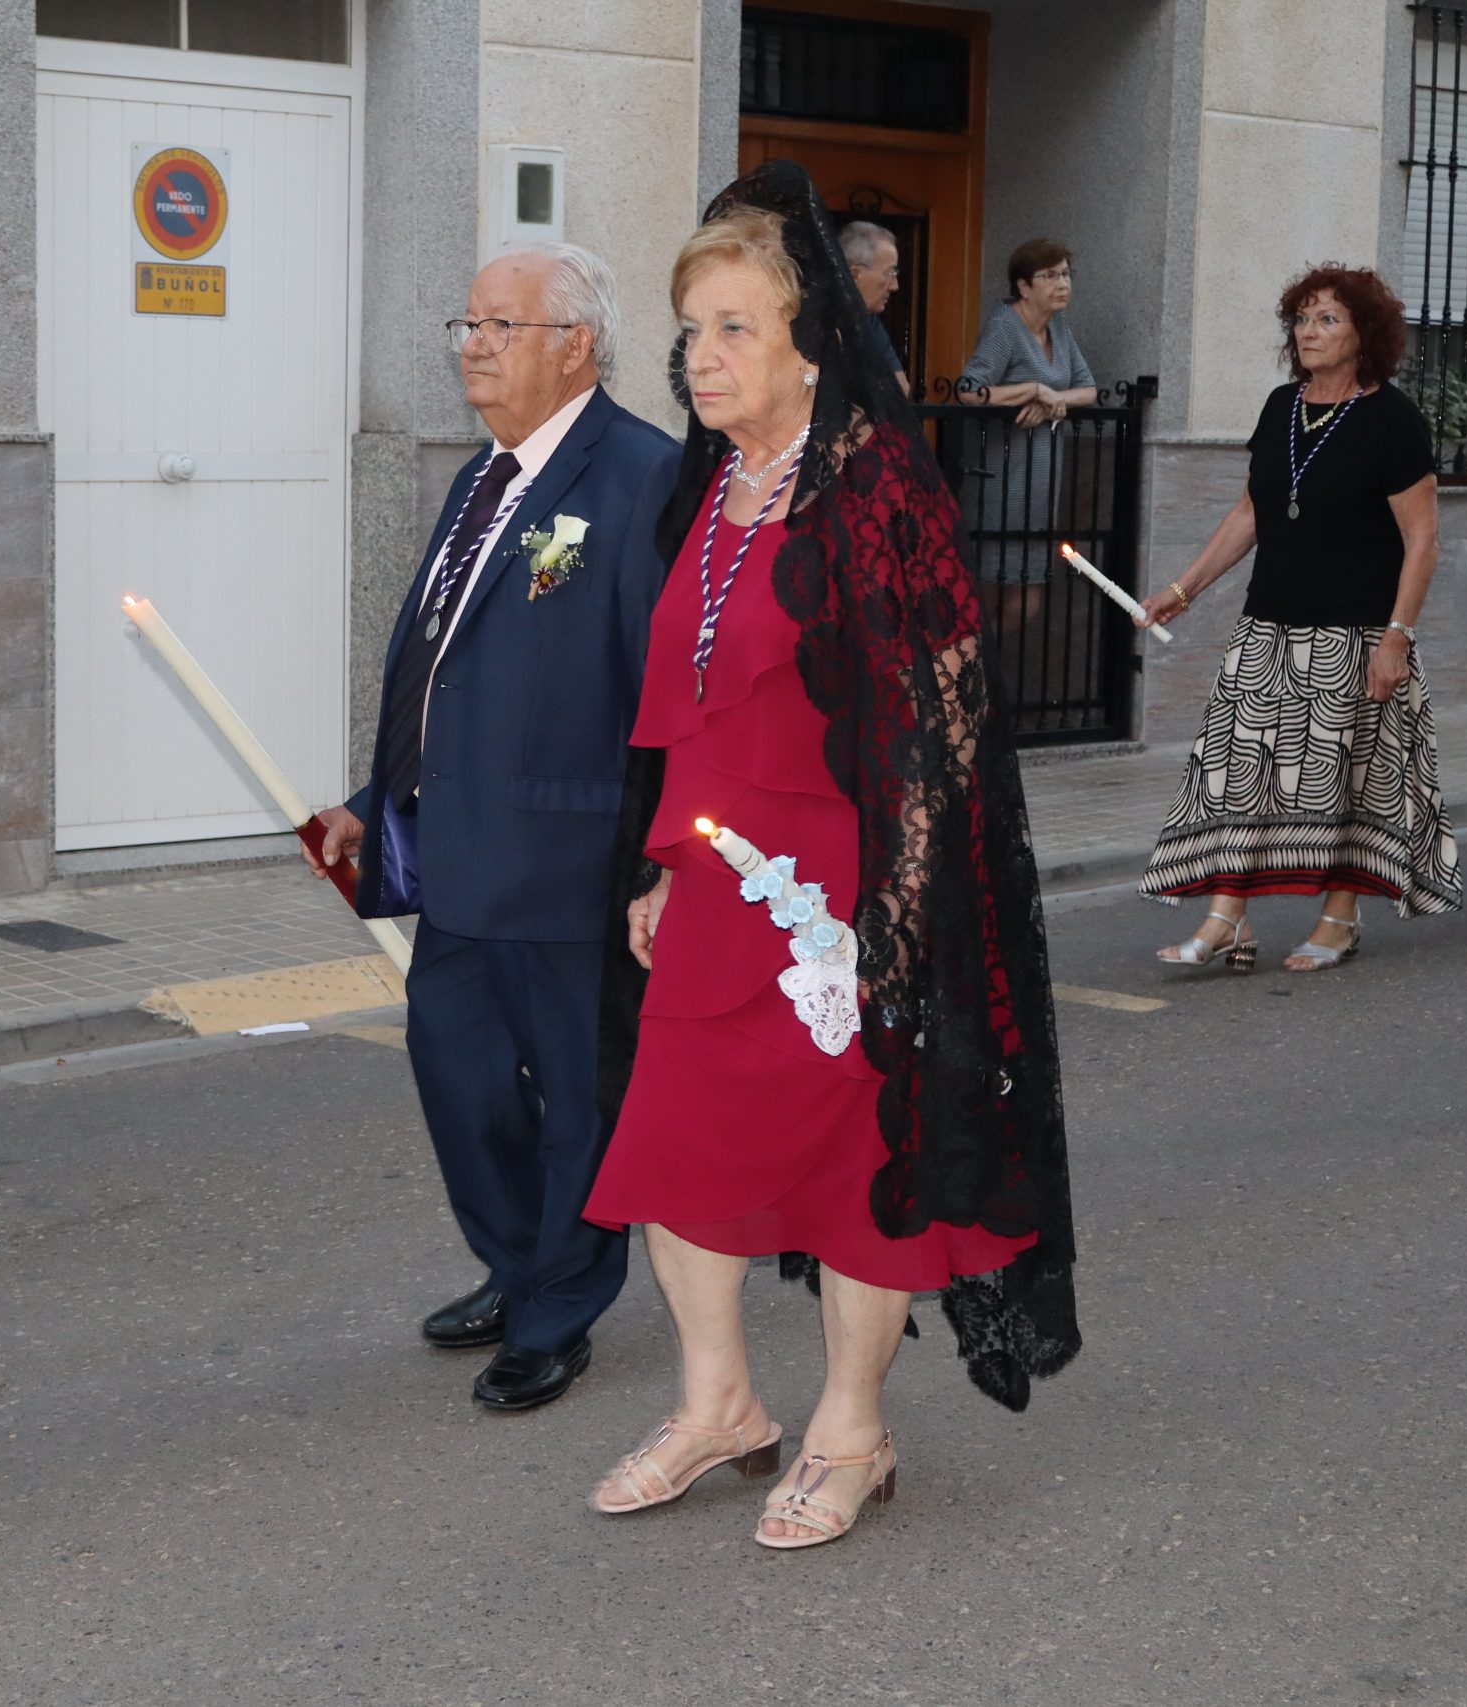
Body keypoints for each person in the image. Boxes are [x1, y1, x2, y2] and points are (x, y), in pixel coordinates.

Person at [581, 163, 1080, 1550]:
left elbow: (943, 714)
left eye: (734, 326)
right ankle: (720, 1404)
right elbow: (691, 710)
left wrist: (903, 912)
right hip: (717, 888)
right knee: (675, 1145)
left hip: (847, 894)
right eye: (692, 329)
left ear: (811, 344)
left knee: (862, 1158)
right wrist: (663, 867)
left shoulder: (874, 489)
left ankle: (852, 1428)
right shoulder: (714, 488)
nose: (702, 355)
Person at [306, 244, 679, 1412]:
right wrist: (375, 801)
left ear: (575, 346)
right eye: (466, 324)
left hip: (574, 858)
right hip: (460, 853)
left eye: (497, 326)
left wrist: (662, 860)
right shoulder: (483, 477)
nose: (471, 345)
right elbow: (443, 664)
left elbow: (667, 694)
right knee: (460, 1082)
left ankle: (557, 1308)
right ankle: (516, 1267)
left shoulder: (642, 478)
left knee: (577, 1099)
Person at [1138, 264, 1462, 971]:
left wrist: (1396, 638)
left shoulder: (1393, 421)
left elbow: (1423, 541)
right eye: (1302, 318)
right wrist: (1182, 590)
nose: (1309, 332)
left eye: (1327, 319)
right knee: (1234, 772)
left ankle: (1338, 922)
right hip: (1268, 626)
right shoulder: (1281, 406)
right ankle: (1226, 919)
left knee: (1347, 783)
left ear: (1363, 334)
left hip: (1355, 634)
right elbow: (1250, 512)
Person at [958, 239, 1098, 639]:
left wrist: (1053, 402)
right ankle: (968, 672)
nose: (1062, 283)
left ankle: (988, 671)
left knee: (1026, 603)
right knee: (984, 597)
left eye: (1066, 274)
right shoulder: (1005, 326)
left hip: (1039, 485)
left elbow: (1088, 390)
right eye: (1050, 275)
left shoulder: (1059, 327)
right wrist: (1033, 390)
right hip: (999, 482)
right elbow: (969, 390)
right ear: (1023, 286)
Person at [837, 219, 911, 395]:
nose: (895, 286)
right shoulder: (816, 316)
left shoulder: (868, 320)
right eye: (889, 273)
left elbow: (901, 389)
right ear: (855, 274)